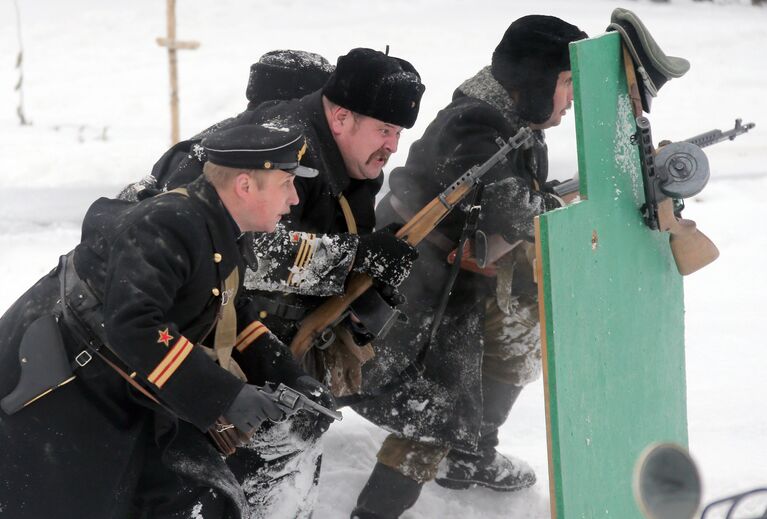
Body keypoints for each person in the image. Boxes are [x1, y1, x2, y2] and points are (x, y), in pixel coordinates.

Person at [139, 47, 426, 518]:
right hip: (197, 335)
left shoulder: (353, 159)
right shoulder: (281, 150)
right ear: (340, 117)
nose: (393, 146)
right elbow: (242, 250)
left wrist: (365, 273)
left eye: (398, 133)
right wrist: (353, 255)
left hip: (256, 333)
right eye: (385, 130)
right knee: (247, 476)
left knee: (283, 467)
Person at [0, 123, 334, 518]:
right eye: (286, 183)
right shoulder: (171, 224)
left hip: (121, 384)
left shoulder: (219, 224)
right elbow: (134, 325)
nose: (295, 198)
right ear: (245, 185)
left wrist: (288, 374)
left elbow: (230, 311)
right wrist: (224, 396)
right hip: (63, 389)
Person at [350, 15, 588, 518]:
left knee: (525, 334)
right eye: (567, 83)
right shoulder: (478, 122)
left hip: (471, 266)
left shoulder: (513, 116)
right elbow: (511, 208)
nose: (571, 99)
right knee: (433, 413)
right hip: (424, 279)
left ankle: (471, 454)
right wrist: (581, 207)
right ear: (538, 80)